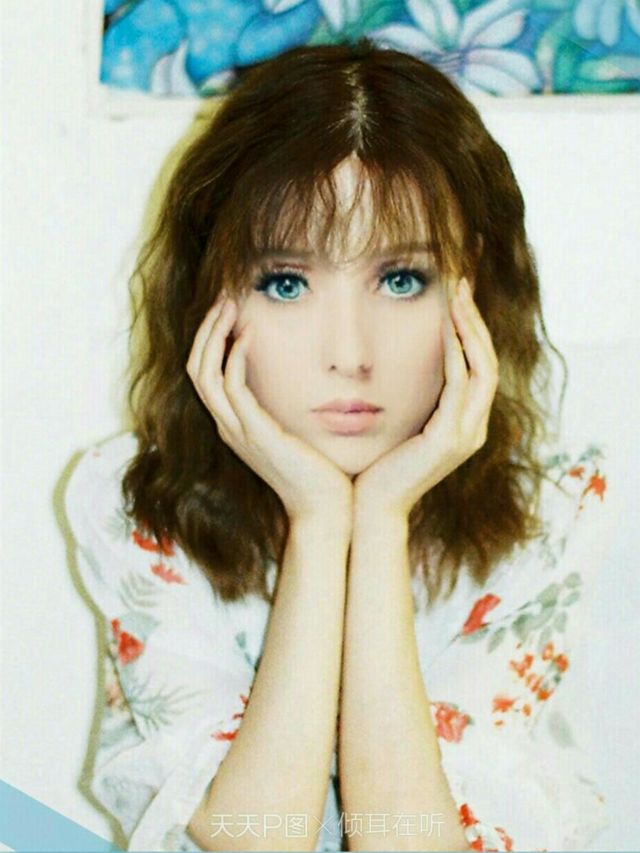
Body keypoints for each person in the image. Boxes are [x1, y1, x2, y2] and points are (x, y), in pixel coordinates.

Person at [65, 39, 614, 853]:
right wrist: (321, 521)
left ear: (475, 292)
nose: (349, 353)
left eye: (401, 280)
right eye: (287, 282)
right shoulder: (137, 505)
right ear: (211, 296)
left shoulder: (550, 511)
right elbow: (258, 843)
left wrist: (381, 518)